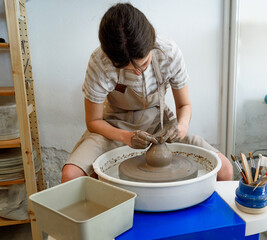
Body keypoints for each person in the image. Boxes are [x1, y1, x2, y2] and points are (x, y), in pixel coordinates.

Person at [61, 3, 233, 183]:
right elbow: (93, 121)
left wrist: (181, 127)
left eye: (143, 64)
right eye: (125, 68)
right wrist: (125, 136)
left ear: (151, 44)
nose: (137, 72)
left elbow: (184, 105)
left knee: (225, 169)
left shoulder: (168, 53)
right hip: (114, 126)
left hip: (159, 124)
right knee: (71, 175)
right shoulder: (100, 62)